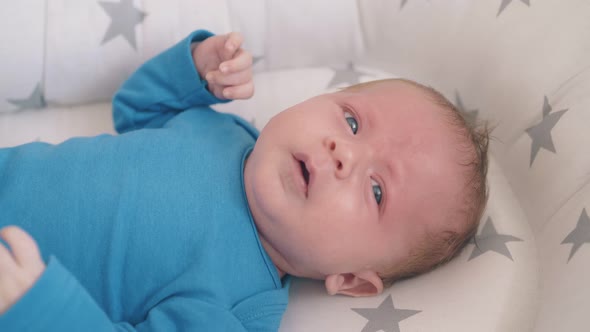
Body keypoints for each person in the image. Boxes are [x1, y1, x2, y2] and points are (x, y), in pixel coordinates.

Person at [0, 29, 489, 331]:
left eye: (377, 190)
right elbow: (136, 109)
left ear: (353, 281)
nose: (343, 154)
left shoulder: (234, 310)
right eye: (352, 122)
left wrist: (41, 313)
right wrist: (195, 70)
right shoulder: (224, 129)